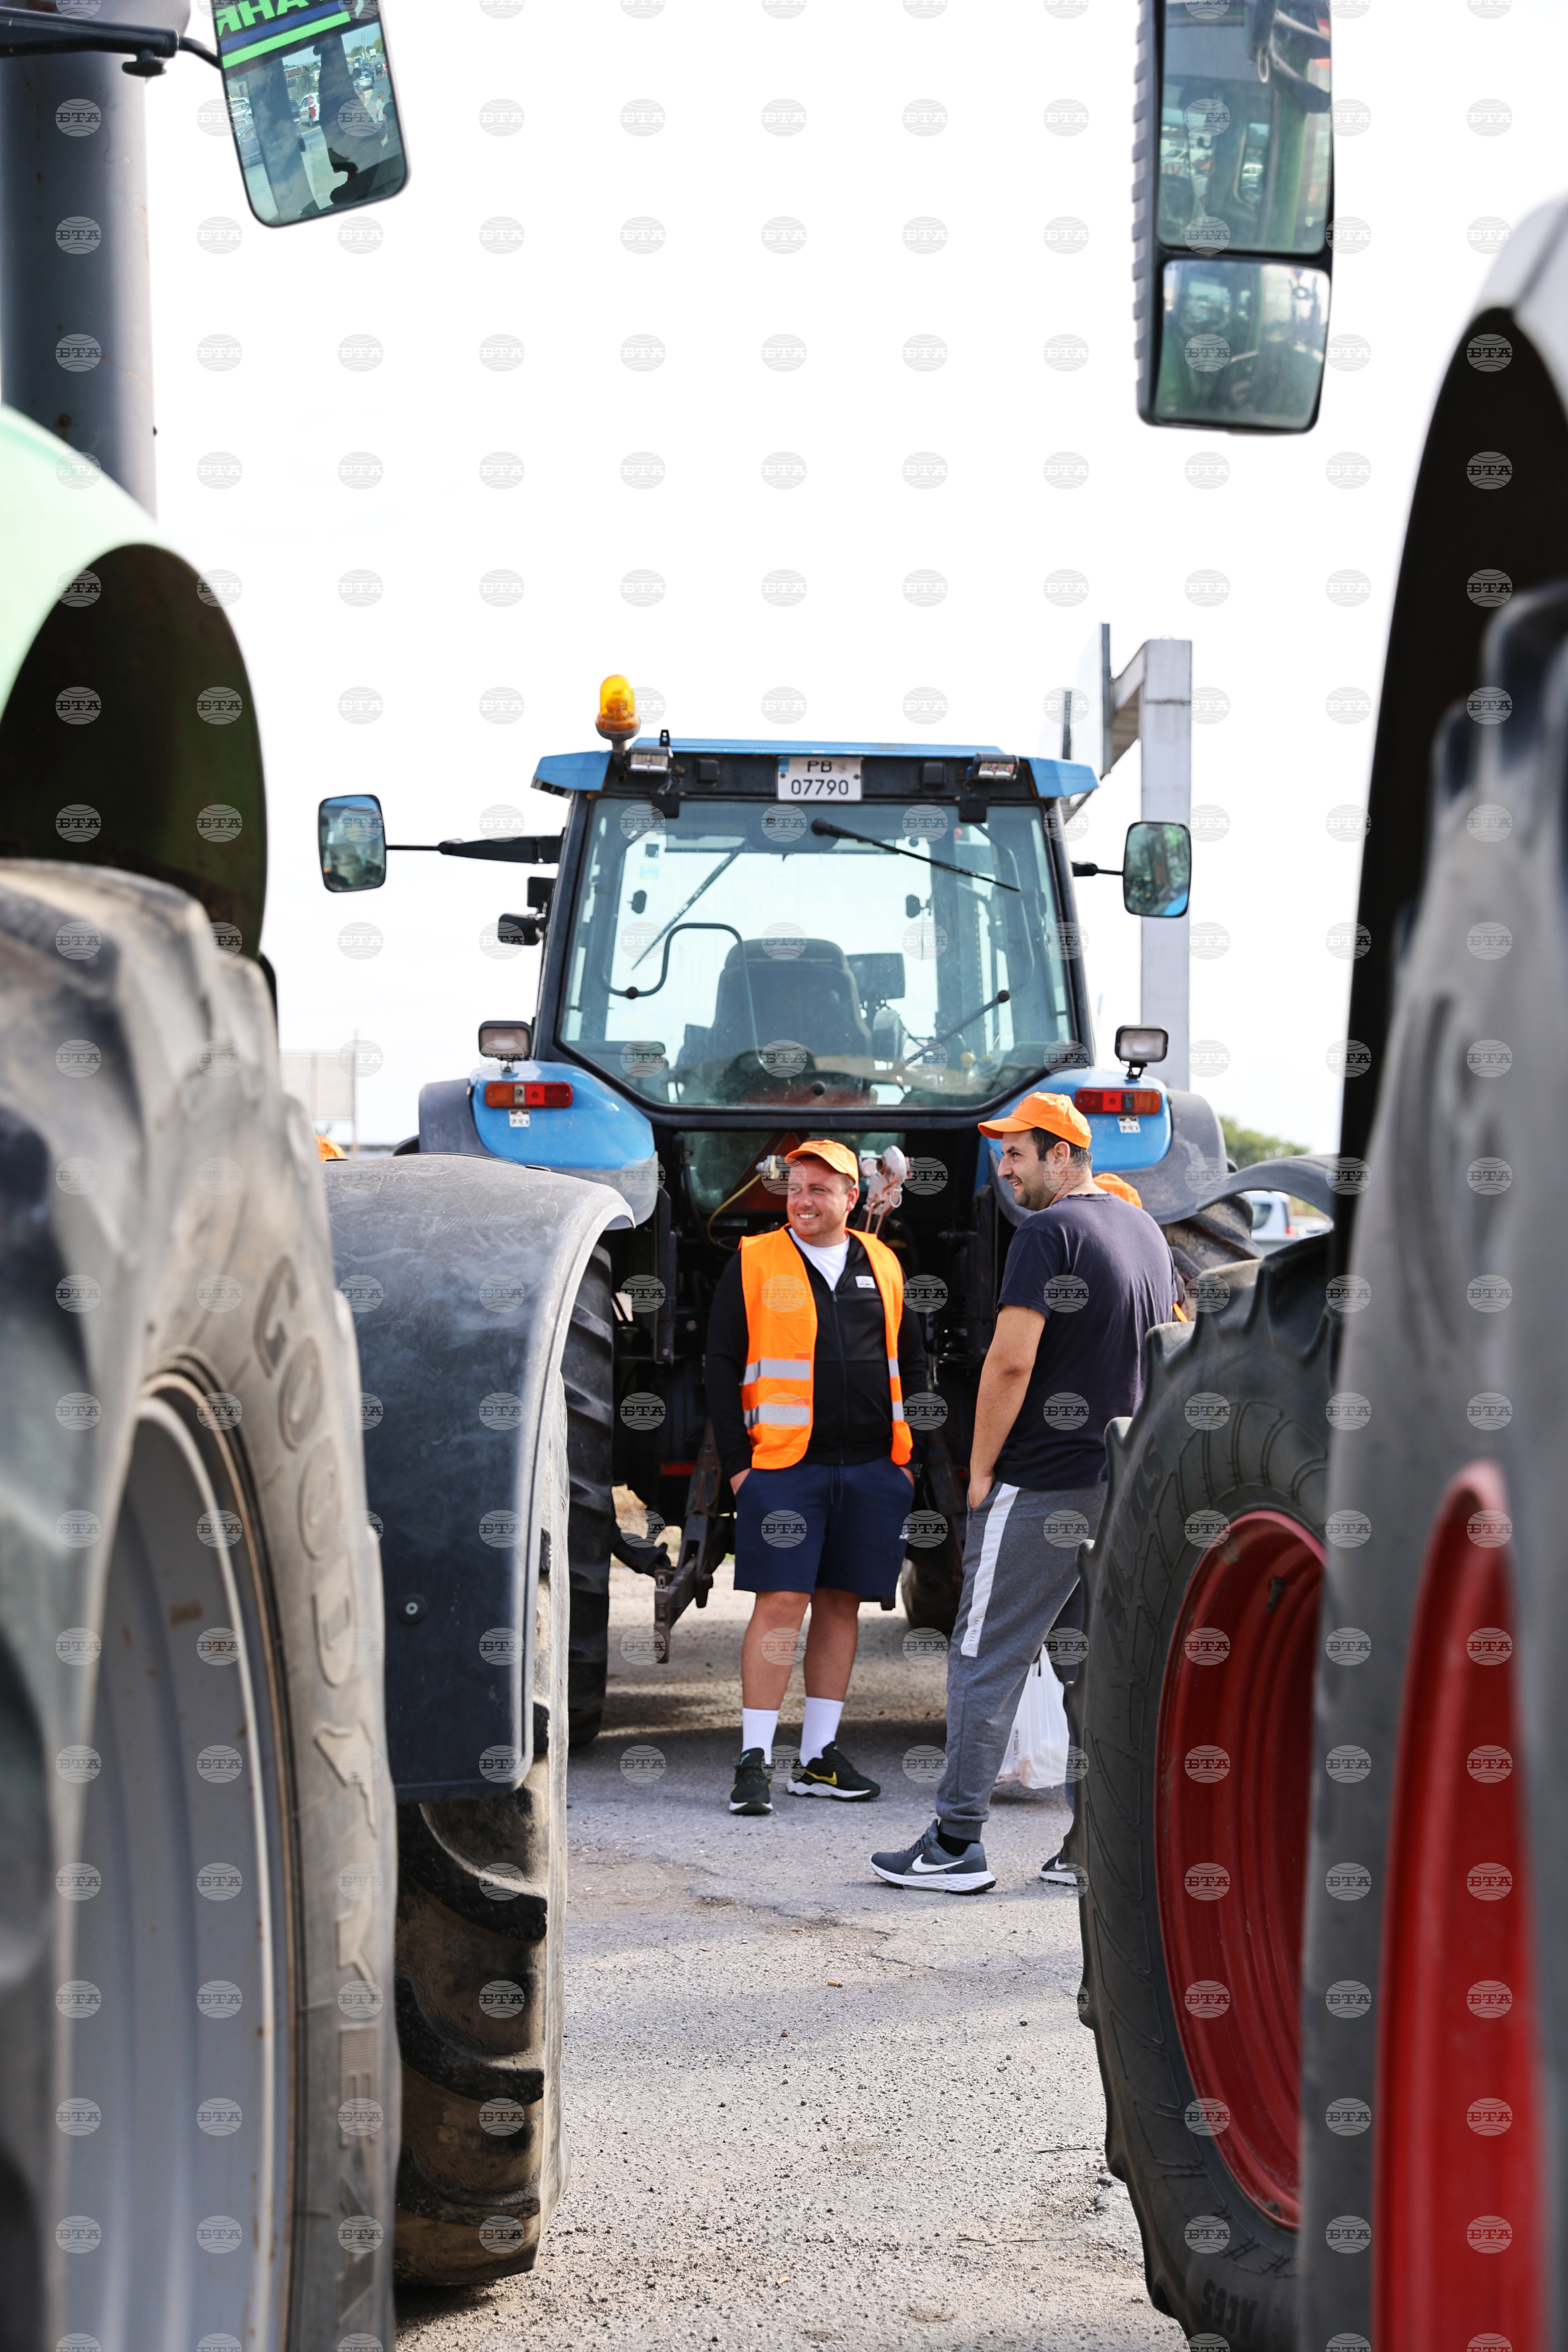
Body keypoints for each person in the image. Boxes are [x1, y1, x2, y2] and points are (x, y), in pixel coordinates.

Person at [870, 1093, 1180, 1893]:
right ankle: (1090, 1847)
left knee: (981, 1656)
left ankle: (954, 1843)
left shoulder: (1047, 1234)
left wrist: (978, 1473)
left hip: (1043, 1477)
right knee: (1090, 1666)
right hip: (1120, 1478)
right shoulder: (1139, 1227)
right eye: (1001, 1154)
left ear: (1062, 1155)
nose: (1002, 1171)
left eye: (1015, 1154)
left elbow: (1008, 1363)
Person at [706, 1141, 927, 1817]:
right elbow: (720, 1365)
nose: (803, 1201)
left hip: (871, 1468)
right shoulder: (753, 1261)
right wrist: (740, 1469)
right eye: (796, 1188)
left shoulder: (884, 1264)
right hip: (782, 1468)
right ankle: (754, 1759)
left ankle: (817, 1758)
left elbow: (912, 1364)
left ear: (852, 1200)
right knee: (780, 1605)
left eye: (820, 1190)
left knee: (840, 1605)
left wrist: (907, 1461)